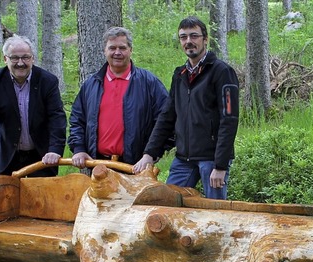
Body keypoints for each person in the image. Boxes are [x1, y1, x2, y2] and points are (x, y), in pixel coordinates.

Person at [133, 16, 240, 200]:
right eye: (183, 37)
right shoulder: (180, 75)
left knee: (216, 213)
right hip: (184, 159)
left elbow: (229, 119)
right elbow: (167, 116)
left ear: (205, 39)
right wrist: (149, 153)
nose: (189, 41)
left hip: (211, 160)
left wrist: (220, 165)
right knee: (167, 204)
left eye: (194, 36)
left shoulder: (222, 72)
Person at [68, 27, 170, 170]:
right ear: (105, 51)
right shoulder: (91, 85)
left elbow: (167, 120)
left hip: (136, 167)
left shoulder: (149, 83)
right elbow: (77, 120)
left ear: (130, 50)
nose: (117, 53)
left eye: (122, 48)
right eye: (112, 48)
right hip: (98, 166)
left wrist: (152, 154)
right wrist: (79, 148)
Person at [0, 35, 67, 178]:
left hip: (42, 154)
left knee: (42, 198)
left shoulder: (48, 81)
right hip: (7, 153)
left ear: (32, 58)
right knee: (8, 198)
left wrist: (54, 150)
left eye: (26, 57)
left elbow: (57, 117)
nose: (20, 63)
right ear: (5, 59)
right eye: (14, 58)